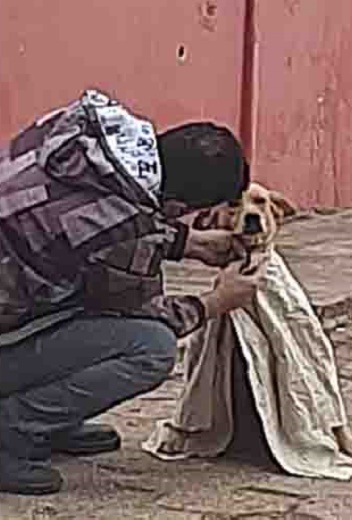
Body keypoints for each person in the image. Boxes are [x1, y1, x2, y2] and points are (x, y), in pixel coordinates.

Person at [0, 90, 264, 495]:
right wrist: (215, 303)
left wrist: (187, 242)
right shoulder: (123, 232)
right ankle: (11, 430)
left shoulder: (83, 132)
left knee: (75, 288)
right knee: (149, 347)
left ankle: (50, 421)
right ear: (177, 203)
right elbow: (144, 309)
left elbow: (81, 225)